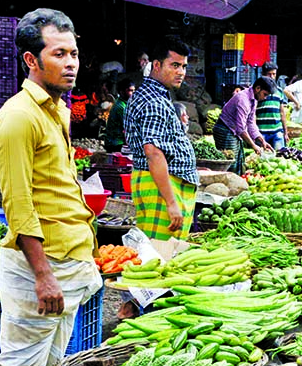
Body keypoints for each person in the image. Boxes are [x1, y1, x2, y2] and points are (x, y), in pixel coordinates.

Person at [0, 9, 102, 366]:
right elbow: (18, 204)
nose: (71, 63)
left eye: (73, 53)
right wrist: (43, 275)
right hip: (41, 266)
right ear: (31, 60)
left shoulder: (57, 110)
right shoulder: (18, 117)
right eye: (59, 54)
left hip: (67, 260)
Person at [124, 36, 199, 241]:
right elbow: (154, 153)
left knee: (162, 256)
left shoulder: (152, 95)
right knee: (159, 258)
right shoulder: (154, 102)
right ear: (156, 65)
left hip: (161, 185)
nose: (181, 72)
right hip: (161, 188)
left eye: (183, 66)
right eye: (174, 65)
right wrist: (171, 202)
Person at [212, 77, 275, 174]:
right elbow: (241, 129)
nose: (265, 98)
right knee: (230, 163)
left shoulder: (254, 100)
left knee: (238, 161)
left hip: (233, 130)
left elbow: (250, 123)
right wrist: (254, 146)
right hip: (225, 129)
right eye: (265, 94)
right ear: (258, 89)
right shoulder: (243, 100)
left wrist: (262, 141)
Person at [256, 62, 289, 150]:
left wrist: (285, 132)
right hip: (261, 132)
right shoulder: (258, 91)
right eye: (269, 74)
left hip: (277, 132)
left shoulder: (279, 91)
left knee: (279, 156)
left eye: (274, 74)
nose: (271, 77)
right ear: (263, 74)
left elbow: (282, 113)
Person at [103, 78, 134, 153]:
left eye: (133, 90)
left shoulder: (124, 103)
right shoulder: (121, 106)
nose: (133, 93)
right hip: (116, 143)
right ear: (122, 91)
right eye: (130, 90)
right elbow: (128, 127)